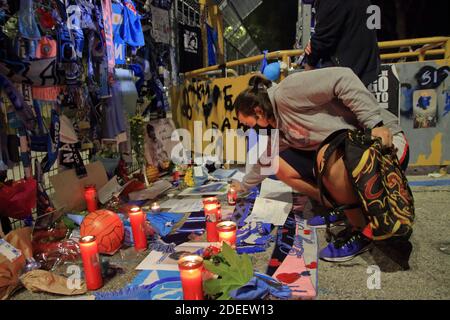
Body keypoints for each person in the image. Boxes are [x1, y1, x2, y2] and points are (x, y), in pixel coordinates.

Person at [231, 68, 410, 262]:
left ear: (257, 110)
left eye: (247, 124)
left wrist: (374, 123)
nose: (249, 129)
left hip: (382, 145)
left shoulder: (287, 93)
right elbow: (265, 160)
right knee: (278, 163)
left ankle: (362, 231)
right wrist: (243, 186)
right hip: (347, 154)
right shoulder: (277, 124)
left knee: (326, 154)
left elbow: (343, 77)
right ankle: (340, 207)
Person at [304, 0, 380, 87]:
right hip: (364, 68)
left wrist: (309, 65)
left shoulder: (331, 2)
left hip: (346, 75)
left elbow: (322, 40)